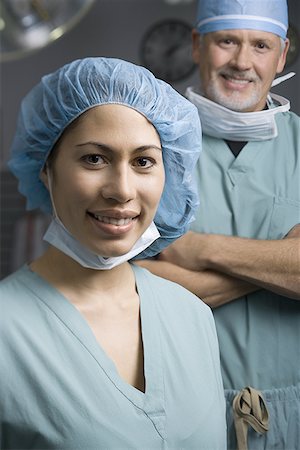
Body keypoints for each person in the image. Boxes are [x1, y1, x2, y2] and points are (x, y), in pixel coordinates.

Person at [0, 57, 226, 449]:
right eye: (94, 158)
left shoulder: (193, 316)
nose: (121, 190)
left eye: (143, 161)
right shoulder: (8, 329)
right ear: (45, 168)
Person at [135, 1, 300, 449]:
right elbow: (133, 286)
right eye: (227, 40)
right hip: (185, 416)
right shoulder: (152, 150)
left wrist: (197, 248)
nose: (242, 62)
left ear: (282, 55)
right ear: (197, 45)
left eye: (260, 46)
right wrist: (278, 263)